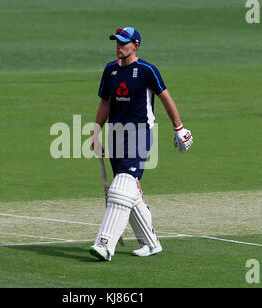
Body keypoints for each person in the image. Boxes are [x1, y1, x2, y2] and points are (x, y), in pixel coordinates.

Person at [89, 27, 193, 261]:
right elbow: (105, 103)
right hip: (115, 135)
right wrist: (96, 133)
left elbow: (165, 97)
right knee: (129, 191)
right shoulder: (110, 70)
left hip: (139, 134)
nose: (119, 46)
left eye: (124, 42)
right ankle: (150, 242)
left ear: (135, 45)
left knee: (120, 188)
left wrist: (179, 128)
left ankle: (105, 244)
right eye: (116, 41)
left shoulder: (146, 70)